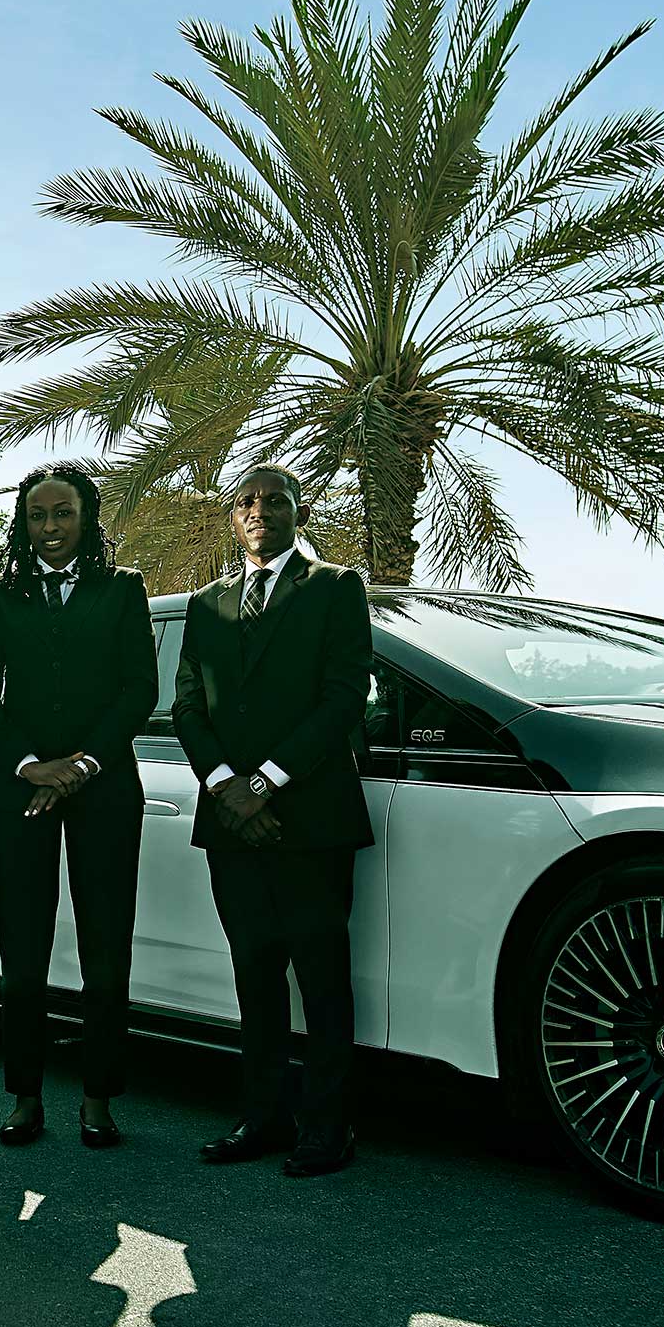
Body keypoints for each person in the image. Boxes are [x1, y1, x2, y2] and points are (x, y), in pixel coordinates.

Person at [171, 463, 374, 1178]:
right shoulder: (206, 603)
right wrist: (229, 787)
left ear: (300, 509)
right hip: (229, 822)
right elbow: (188, 706)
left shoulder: (336, 588)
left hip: (310, 821)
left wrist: (265, 783)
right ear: (234, 517)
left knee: (322, 981)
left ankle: (328, 1127)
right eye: (248, 502)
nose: (261, 511)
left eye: (276, 500)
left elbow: (346, 695)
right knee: (254, 976)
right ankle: (261, 1116)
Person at [0, 463, 156, 1148]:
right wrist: (30, 765)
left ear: (87, 516)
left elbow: (139, 689)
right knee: (23, 944)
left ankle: (98, 1098)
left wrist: (81, 764)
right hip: (19, 788)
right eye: (37, 516)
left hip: (104, 785)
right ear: (24, 523)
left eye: (62, 513)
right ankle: (25, 1096)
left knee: (105, 946)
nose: (49, 527)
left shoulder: (124, 589)